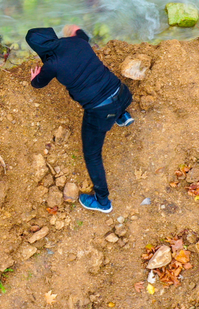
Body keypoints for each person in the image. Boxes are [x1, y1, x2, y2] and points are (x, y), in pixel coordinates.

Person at [26, 25, 133, 213]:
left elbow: (38, 83)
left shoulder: (52, 63)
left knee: (92, 156)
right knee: (108, 89)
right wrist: (76, 31)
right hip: (122, 93)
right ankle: (122, 116)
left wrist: (35, 77)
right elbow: (82, 35)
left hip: (100, 112)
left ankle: (103, 202)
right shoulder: (77, 42)